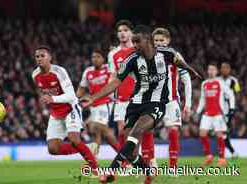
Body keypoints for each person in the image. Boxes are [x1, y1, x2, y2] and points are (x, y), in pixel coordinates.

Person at [81, 25, 201, 184]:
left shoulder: (167, 54)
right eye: (134, 42)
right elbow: (116, 82)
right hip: (136, 103)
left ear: (149, 41)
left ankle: (112, 170)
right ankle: (149, 172)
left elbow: (180, 62)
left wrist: (191, 71)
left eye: (138, 42)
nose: (135, 45)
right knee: (130, 150)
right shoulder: (131, 60)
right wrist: (93, 97)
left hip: (157, 103)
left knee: (137, 132)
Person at [31, 45, 98, 172]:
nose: (39, 58)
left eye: (42, 56)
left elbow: (71, 96)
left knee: (74, 139)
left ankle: (97, 170)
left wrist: (52, 99)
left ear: (49, 57)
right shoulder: (35, 75)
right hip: (55, 113)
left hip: (70, 109)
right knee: (53, 149)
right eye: (37, 56)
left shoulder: (59, 71)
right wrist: (46, 102)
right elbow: (41, 91)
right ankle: (87, 148)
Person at [139, 27, 193, 169]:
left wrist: (188, 104)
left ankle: (173, 167)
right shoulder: (147, 55)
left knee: (173, 130)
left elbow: (186, 79)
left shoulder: (174, 56)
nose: (158, 43)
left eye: (161, 40)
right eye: (156, 40)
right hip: (152, 101)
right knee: (146, 130)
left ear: (168, 41)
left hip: (171, 101)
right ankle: (151, 164)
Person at [77, 49, 121, 155]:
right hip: (93, 105)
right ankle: (94, 160)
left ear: (103, 59)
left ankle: (123, 156)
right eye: (93, 57)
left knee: (96, 126)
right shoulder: (88, 71)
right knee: (97, 133)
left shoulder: (109, 69)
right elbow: (81, 89)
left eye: (98, 57)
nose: (95, 59)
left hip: (106, 103)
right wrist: (76, 99)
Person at [196, 63, 235, 167]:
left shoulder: (220, 82)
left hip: (218, 114)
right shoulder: (204, 83)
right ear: (207, 71)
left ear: (216, 72)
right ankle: (209, 156)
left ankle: (222, 158)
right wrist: (198, 112)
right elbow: (202, 99)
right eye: (209, 69)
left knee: (219, 135)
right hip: (207, 114)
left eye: (213, 69)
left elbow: (230, 94)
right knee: (202, 134)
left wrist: (231, 108)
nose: (211, 71)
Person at [107, 20, 136, 148]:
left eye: (125, 30)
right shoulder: (113, 54)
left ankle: (148, 160)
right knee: (122, 130)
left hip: (138, 96)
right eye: (119, 31)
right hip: (121, 97)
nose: (122, 33)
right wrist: (109, 92)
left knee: (139, 130)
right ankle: (126, 163)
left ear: (131, 33)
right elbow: (112, 76)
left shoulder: (138, 50)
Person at [218, 62, 241, 158]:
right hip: (218, 109)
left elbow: (238, 93)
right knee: (222, 133)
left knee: (222, 132)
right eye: (223, 68)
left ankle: (227, 154)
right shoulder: (217, 80)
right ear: (220, 69)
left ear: (229, 69)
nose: (225, 70)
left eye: (227, 68)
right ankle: (232, 153)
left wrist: (234, 107)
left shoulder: (234, 81)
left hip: (228, 111)